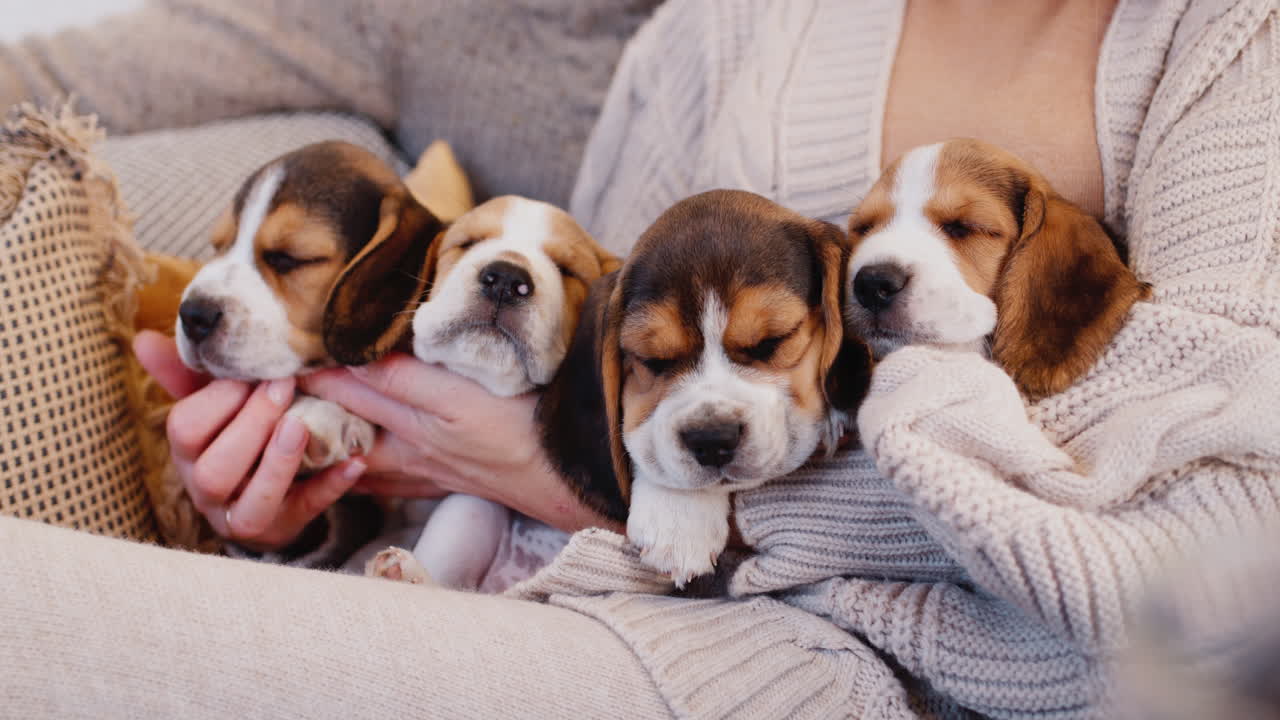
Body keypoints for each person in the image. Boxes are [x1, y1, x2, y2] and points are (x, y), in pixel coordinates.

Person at [2, 0, 1279, 717]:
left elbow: (1235, 548)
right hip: (619, 609)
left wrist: (588, 491)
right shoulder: (716, 33)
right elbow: (587, 379)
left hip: (867, 674)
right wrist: (300, 515)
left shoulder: (1227, 38)